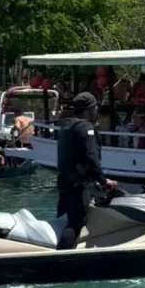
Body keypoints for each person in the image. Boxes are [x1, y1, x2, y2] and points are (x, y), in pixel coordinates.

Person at [56, 92, 118, 250]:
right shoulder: (85, 127)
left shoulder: (66, 126)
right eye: (95, 107)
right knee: (76, 223)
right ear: (90, 109)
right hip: (77, 184)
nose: (96, 110)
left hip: (64, 182)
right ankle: (61, 258)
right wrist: (104, 180)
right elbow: (91, 157)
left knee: (71, 218)